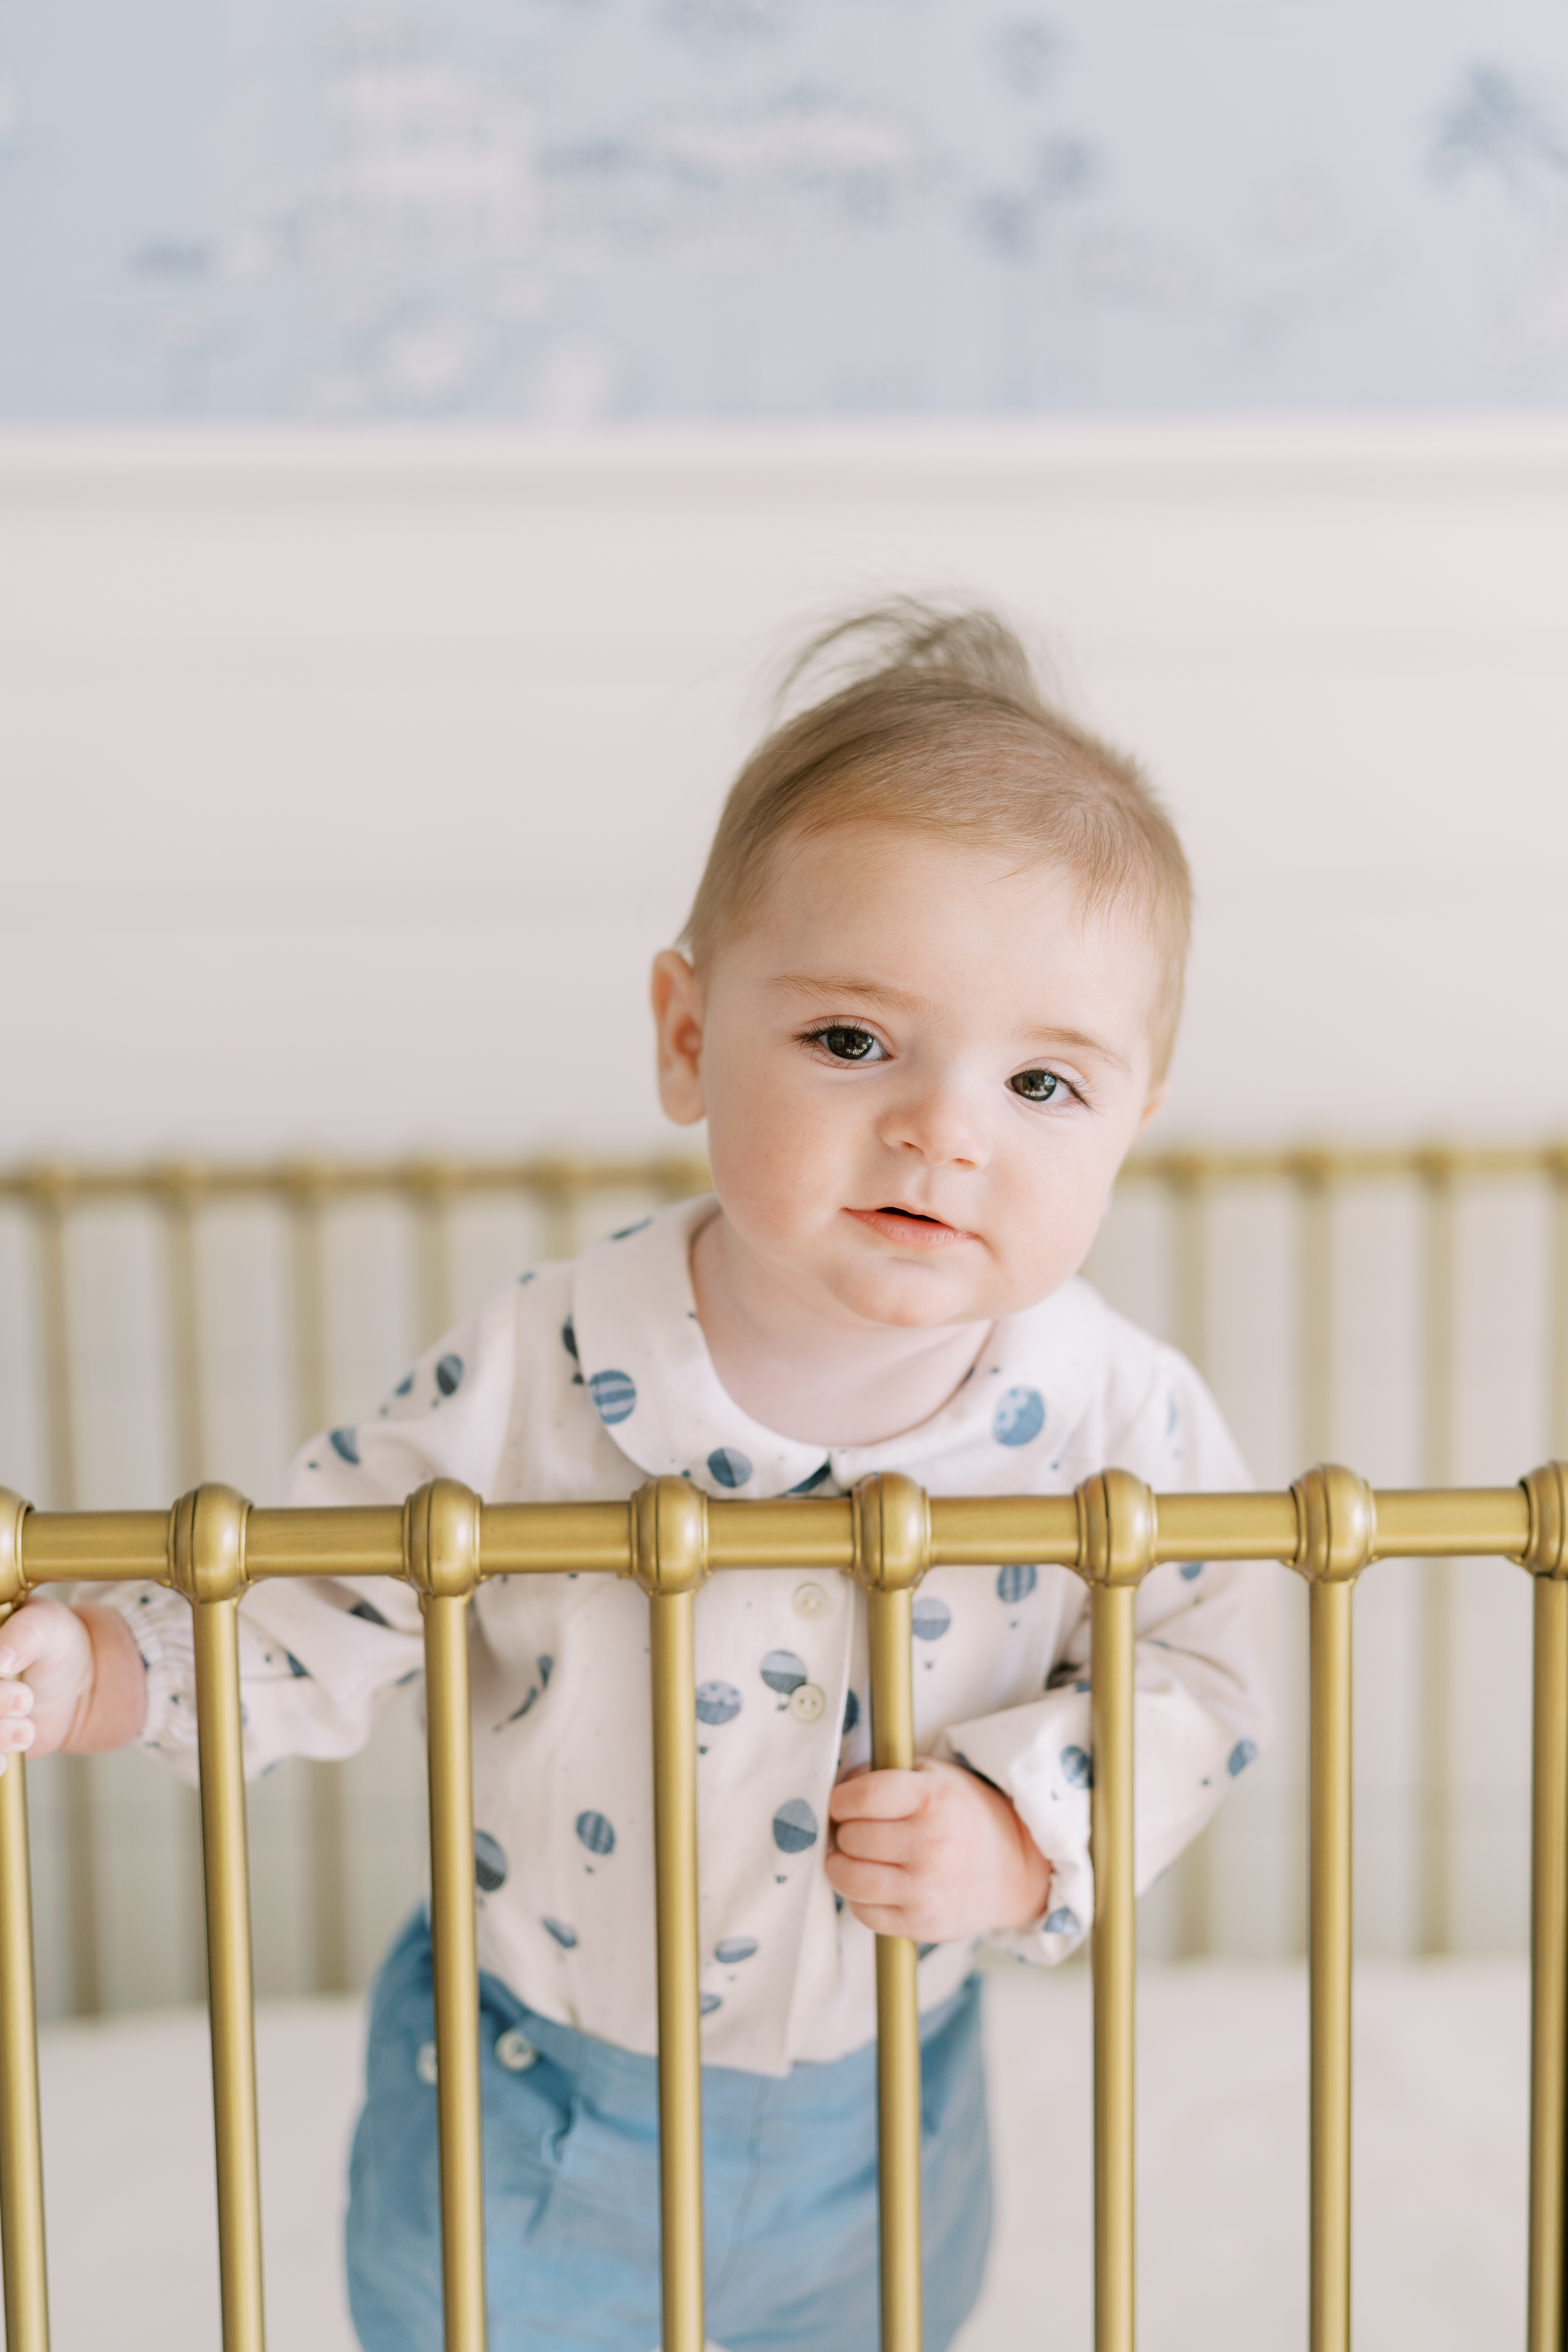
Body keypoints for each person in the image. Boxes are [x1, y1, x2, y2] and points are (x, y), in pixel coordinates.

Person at [0, 603, 1270, 2352]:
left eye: (1043, 1079)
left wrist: (1029, 1822)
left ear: (1132, 1119)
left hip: (883, 2109)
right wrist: (106, 1668)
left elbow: (1212, 1662)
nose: (943, 1128)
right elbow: (316, 1585)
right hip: (535, 2101)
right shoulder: (543, 1364)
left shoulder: (1114, 1417)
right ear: (684, 1035)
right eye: (850, 1042)